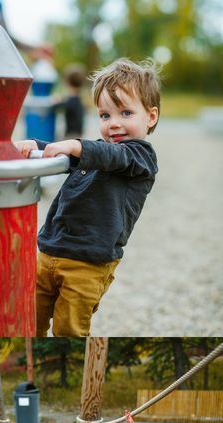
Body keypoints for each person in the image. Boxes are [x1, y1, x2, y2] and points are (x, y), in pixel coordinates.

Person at [14, 58, 160, 336]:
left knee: (70, 329)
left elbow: (110, 156)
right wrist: (39, 145)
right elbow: (74, 155)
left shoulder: (140, 157)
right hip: (48, 253)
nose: (113, 124)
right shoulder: (98, 151)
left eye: (126, 113)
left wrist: (77, 145)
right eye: (105, 115)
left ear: (151, 117)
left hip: (88, 264)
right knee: (28, 321)